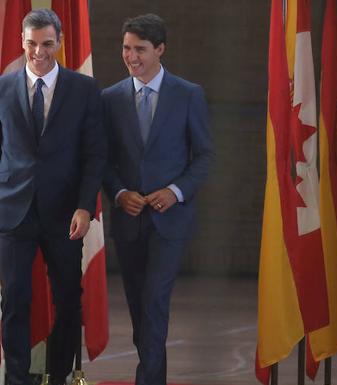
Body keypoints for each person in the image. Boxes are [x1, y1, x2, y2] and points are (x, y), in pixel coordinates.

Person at [0, 8, 106, 385]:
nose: (39, 52)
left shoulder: (84, 90)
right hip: (12, 214)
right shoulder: (1, 88)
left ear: (60, 43)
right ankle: (15, 378)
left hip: (66, 213)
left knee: (68, 300)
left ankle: (59, 375)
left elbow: (95, 155)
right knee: (15, 301)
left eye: (47, 44)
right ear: (23, 42)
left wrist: (85, 206)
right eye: (32, 44)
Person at [102, 13, 214, 385]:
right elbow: (103, 160)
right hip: (129, 221)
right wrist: (119, 194)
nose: (131, 57)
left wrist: (175, 191)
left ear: (160, 50)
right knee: (138, 307)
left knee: (154, 302)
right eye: (126, 48)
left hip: (171, 223)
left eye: (140, 50)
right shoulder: (110, 99)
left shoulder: (188, 94)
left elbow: (204, 157)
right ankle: (151, 371)